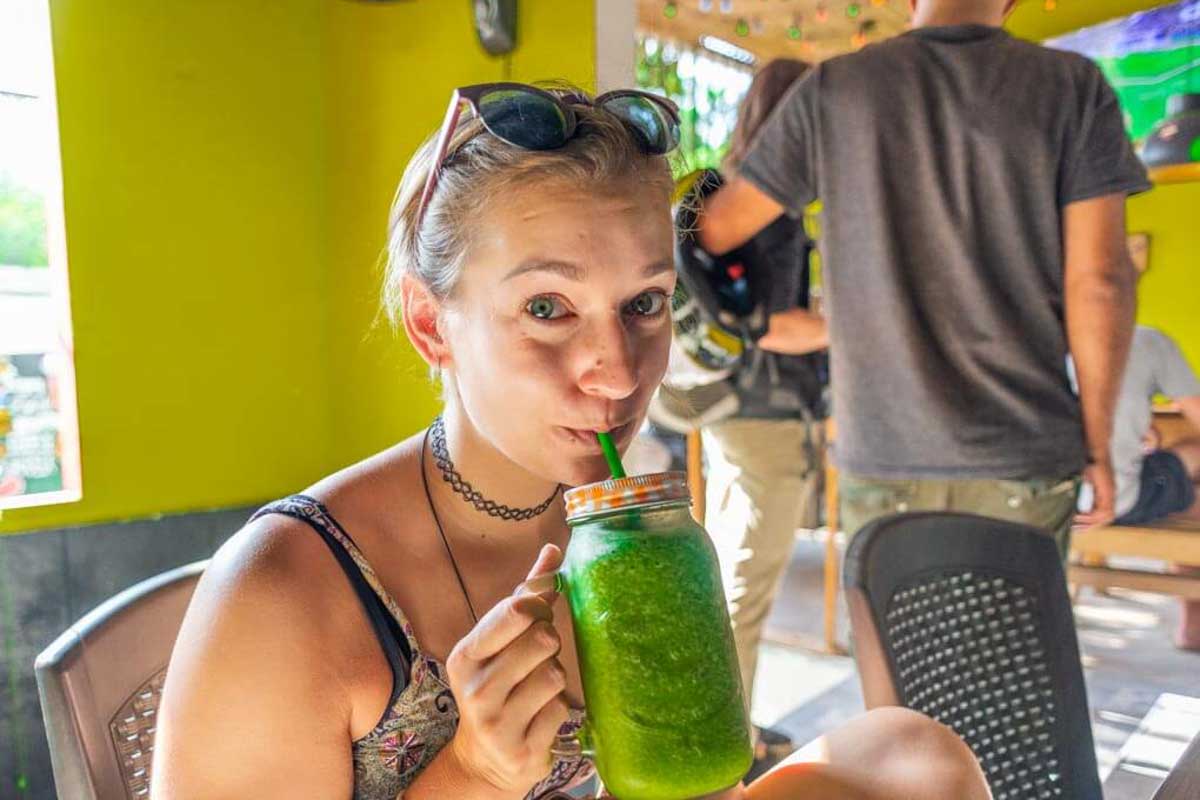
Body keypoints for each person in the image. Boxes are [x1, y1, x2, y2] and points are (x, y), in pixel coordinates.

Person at [150, 83, 990, 800]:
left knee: (913, 758)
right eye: (547, 308)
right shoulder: (282, 595)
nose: (619, 374)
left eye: (645, 303)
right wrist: (472, 774)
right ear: (428, 322)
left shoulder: (634, 541)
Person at [697, 0, 1150, 556]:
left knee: (894, 642)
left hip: (884, 449)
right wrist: (1100, 444)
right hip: (1022, 447)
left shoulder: (836, 89)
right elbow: (1101, 282)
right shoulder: (1072, 85)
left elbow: (716, 230)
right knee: (1011, 644)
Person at [690, 59, 830, 765]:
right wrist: (848, 321)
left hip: (743, 411)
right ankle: (728, 746)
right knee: (747, 581)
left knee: (733, 577)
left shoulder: (742, 190)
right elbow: (765, 322)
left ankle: (733, 725)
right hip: (762, 412)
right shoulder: (760, 203)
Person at [1109, 324, 1200, 649]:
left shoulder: (1039, 330)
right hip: (1112, 498)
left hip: (1043, 496)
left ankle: (1192, 618)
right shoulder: (1147, 340)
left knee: (1178, 484)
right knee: (1191, 478)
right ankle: (1194, 619)